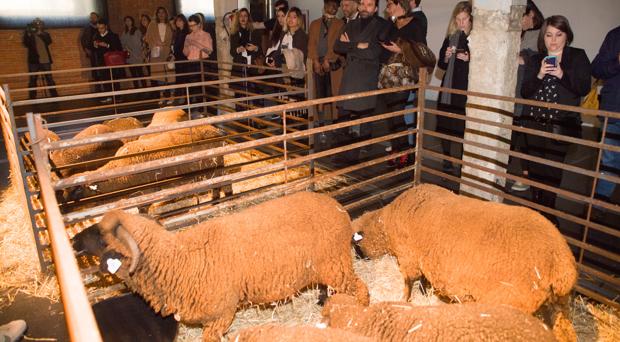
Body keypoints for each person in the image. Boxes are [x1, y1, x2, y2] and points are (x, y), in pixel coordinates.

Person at [521, 15, 591, 222]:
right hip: (533, 121)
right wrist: (540, 74)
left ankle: (549, 213)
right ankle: (535, 209)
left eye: (559, 34)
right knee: (534, 168)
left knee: (552, 170)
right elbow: (526, 91)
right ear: (543, 37)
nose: (553, 40)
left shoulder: (577, 57)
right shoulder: (535, 60)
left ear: (567, 36)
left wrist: (562, 74)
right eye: (549, 35)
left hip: (561, 124)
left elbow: (583, 87)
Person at [333, 0, 389, 164]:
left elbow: (374, 52)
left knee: (362, 117)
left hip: (366, 78)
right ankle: (342, 151)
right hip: (349, 76)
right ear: (358, 6)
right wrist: (358, 45)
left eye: (369, 4)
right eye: (363, 3)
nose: (365, 7)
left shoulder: (381, 26)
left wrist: (350, 45)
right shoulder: (351, 24)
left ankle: (356, 155)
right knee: (343, 116)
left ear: (376, 8)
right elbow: (337, 46)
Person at [380, 0, 427, 167]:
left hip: (405, 76)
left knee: (398, 113)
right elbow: (381, 38)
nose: (387, 8)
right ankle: (396, 149)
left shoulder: (416, 24)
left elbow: (422, 50)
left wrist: (401, 50)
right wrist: (391, 20)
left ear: (400, 4)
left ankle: (405, 152)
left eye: (390, 4)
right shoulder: (392, 23)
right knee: (391, 116)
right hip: (388, 77)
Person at [510, 0, 544, 192]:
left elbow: (528, 61)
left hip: (528, 94)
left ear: (531, 15)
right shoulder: (523, 33)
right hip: (518, 92)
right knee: (517, 135)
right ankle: (523, 175)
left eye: (520, 16)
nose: (517, 21)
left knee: (524, 137)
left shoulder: (537, 35)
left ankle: (527, 177)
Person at [436, 1, 472, 175]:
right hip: (448, 88)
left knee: (463, 126)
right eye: (458, 19)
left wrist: (469, 59)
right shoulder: (450, 36)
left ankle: (464, 161)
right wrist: (446, 56)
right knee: (445, 124)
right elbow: (441, 65)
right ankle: (447, 158)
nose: (461, 23)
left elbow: (483, 64)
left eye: (464, 19)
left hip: (465, 89)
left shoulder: (476, 38)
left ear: (471, 19)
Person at [592, 25, 620, 202]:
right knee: (609, 160)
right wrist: (617, 62)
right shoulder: (615, 35)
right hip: (615, 109)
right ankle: (599, 205)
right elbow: (596, 69)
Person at [308, 0, 345, 128]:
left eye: (336, 5)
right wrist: (315, 60)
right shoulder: (314, 24)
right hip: (317, 63)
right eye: (331, 4)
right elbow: (311, 44)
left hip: (332, 63)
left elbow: (337, 43)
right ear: (324, 6)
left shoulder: (341, 24)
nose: (333, 7)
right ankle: (320, 121)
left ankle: (334, 122)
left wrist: (327, 59)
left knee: (333, 92)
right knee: (319, 92)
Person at [23, 18, 58, 99]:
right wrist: (28, 33)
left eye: (39, 23)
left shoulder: (45, 33)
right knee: (33, 79)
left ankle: (55, 96)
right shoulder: (29, 34)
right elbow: (26, 43)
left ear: (42, 25)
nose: (38, 25)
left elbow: (49, 41)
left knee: (49, 78)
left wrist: (41, 33)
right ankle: (32, 98)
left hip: (45, 59)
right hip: (33, 61)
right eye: (36, 23)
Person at [145, 7, 174, 104]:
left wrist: (165, 45)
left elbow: (173, 37)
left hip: (168, 52)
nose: (161, 14)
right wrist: (156, 44)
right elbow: (148, 38)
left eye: (163, 12)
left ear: (166, 14)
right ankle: (162, 96)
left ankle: (172, 95)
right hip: (156, 53)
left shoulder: (170, 24)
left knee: (170, 74)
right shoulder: (152, 25)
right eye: (159, 13)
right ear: (156, 14)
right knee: (159, 75)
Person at [183, 14, 214, 105]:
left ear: (199, 24)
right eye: (190, 26)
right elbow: (185, 53)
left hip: (203, 63)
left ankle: (208, 109)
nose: (192, 28)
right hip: (191, 63)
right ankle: (200, 110)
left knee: (205, 88)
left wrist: (196, 44)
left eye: (193, 25)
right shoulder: (188, 36)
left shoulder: (206, 35)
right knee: (195, 89)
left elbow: (209, 51)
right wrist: (186, 46)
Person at [92, 19, 124, 102]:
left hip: (112, 61)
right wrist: (95, 46)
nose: (100, 30)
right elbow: (93, 49)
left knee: (114, 79)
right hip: (101, 61)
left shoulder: (113, 35)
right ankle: (108, 96)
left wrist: (107, 45)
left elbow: (119, 48)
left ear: (106, 27)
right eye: (98, 28)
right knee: (105, 79)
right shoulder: (96, 36)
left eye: (102, 28)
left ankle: (117, 97)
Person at [121, 16, 147, 89]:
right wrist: (126, 48)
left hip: (137, 55)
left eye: (129, 20)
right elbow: (122, 43)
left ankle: (145, 89)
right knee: (133, 74)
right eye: (126, 21)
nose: (128, 22)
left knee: (140, 73)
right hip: (129, 57)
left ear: (132, 21)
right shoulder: (124, 32)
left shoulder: (137, 31)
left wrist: (139, 52)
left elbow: (140, 42)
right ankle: (137, 89)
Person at [80, 12, 101, 91]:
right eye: (91, 17)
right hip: (92, 52)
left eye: (94, 17)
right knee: (95, 71)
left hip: (102, 52)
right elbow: (83, 40)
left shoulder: (102, 26)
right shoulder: (87, 28)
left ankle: (107, 90)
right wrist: (86, 49)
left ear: (98, 18)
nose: (92, 18)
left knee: (104, 70)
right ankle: (98, 90)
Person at [172, 14, 190, 103]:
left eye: (180, 20)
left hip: (184, 59)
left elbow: (185, 47)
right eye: (177, 21)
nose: (178, 22)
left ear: (184, 21)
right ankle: (180, 96)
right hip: (178, 59)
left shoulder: (187, 33)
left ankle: (187, 98)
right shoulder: (178, 32)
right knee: (179, 78)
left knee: (185, 78)